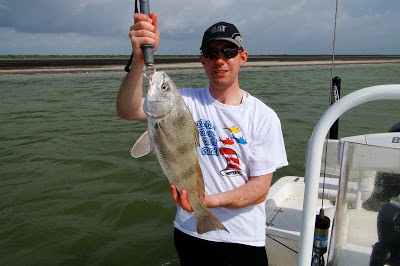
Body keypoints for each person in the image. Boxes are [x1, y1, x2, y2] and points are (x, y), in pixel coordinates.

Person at [117, 12, 288, 266]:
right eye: (211, 53)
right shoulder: (181, 104)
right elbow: (127, 110)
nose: (219, 60)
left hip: (242, 240)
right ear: (202, 60)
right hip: (189, 232)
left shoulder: (264, 117)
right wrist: (139, 61)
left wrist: (206, 203)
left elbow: (260, 189)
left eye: (228, 51)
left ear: (243, 57)